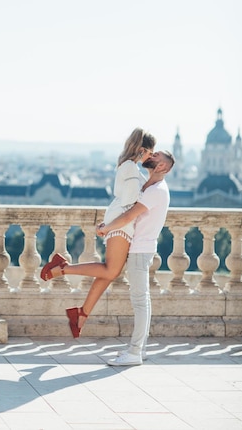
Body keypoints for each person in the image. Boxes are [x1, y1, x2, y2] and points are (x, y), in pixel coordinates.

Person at [40, 128, 156, 338]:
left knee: (108, 271)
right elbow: (130, 204)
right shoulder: (130, 169)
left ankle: (81, 315)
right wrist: (110, 226)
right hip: (122, 225)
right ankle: (60, 269)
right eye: (150, 152)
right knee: (111, 271)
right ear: (141, 150)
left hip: (120, 223)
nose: (151, 157)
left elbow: (123, 201)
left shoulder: (128, 167)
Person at [100, 150, 175, 365]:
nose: (151, 156)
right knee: (143, 301)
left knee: (140, 301)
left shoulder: (156, 191)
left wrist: (106, 228)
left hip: (140, 249)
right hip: (140, 247)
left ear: (162, 167)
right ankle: (138, 349)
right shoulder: (150, 186)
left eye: (156, 156)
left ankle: (134, 353)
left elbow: (129, 215)